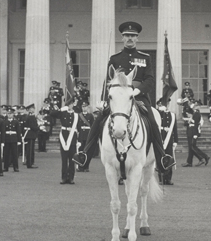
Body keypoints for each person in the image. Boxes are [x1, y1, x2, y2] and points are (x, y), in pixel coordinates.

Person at [73, 21, 175, 172]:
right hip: (118, 98)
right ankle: (85, 156)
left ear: (137, 38)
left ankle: (162, 159)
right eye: (127, 35)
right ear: (122, 38)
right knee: (98, 121)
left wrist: (137, 91)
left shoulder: (145, 58)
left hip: (138, 97)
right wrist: (103, 100)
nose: (130, 38)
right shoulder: (115, 59)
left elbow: (150, 80)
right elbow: (107, 80)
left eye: (133, 36)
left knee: (153, 123)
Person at [50, 100, 79, 184]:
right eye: (68, 105)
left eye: (71, 104)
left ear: (73, 105)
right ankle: (64, 177)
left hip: (72, 138)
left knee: (72, 160)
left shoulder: (76, 115)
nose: (70, 106)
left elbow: (79, 128)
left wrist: (79, 140)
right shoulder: (63, 113)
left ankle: (71, 178)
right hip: (64, 137)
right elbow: (52, 114)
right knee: (64, 160)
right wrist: (61, 109)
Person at [182, 100, 210, 168]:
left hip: (193, 132)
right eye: (194, 105)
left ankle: (204, 157)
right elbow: (189, 123)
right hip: (190, 131)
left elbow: (196, 125)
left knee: (192, 147)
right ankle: (190, 162)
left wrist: (195, 134)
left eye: (196, 105)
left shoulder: (197, 114)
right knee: (191, 147)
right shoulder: (193, 113)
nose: (194, 106)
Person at [157, 99, 178, 185]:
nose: (167, 105)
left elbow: (175, 129)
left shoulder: (172, 115)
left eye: (168, 103)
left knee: (169, 158)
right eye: (165, 103)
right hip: (161, 137)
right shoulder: (158, 113)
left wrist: (176, 140)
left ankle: (168, 178)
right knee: (160, 158)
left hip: (169, 139)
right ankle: (161, 178)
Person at [76, 102, 94, 172]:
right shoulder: (79, 116)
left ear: (87, 107)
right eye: (83, 106)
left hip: (87, 135)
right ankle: (80, 166)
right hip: (81, 135)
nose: (84, 108)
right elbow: (77, 126)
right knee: (80, 151)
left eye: (85, 106)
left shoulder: (90, 116)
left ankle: (86, 167)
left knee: (87, 152)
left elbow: (92, 126)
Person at [2, 106, 21, 172]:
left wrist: (19, 140)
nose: (9, 115)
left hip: (14, 139)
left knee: (14, 154)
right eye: (8, 113)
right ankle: (5, 167)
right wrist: (3, 140)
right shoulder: (4, 122)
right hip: (7, 139)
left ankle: (15, 167)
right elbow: (3, 132)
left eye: (11, 114)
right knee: (6, 153)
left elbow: (18, 131)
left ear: (13, 114)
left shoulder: (16, 122)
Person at [23, 104, 39, 169]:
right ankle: (30, 163)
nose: (33, 109)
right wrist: (38, 128)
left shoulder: (28, 116)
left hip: (29, 134)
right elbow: (33, 126)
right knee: (30, 150)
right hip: (30, 134)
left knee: (30, 149)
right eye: (32, 108)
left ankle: (30, 162)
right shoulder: (31, 116)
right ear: (29, 109)